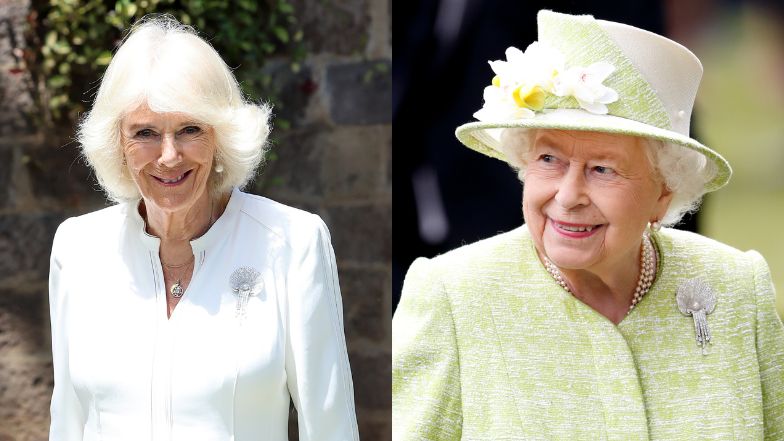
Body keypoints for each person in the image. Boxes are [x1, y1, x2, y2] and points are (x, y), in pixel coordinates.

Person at [393, 10, 784, 440]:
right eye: (548, 160)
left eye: (602, 169)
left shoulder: (736, 286)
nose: (567, 195)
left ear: (664, 193)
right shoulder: (453, 294)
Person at [48, 16, 359, 440]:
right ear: (118, 142)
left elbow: (329, 427)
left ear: (221, 135)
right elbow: (67, 420)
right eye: (146, 133)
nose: (169, 156)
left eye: (190, 129)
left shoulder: (292, 242)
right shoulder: (78, 248)